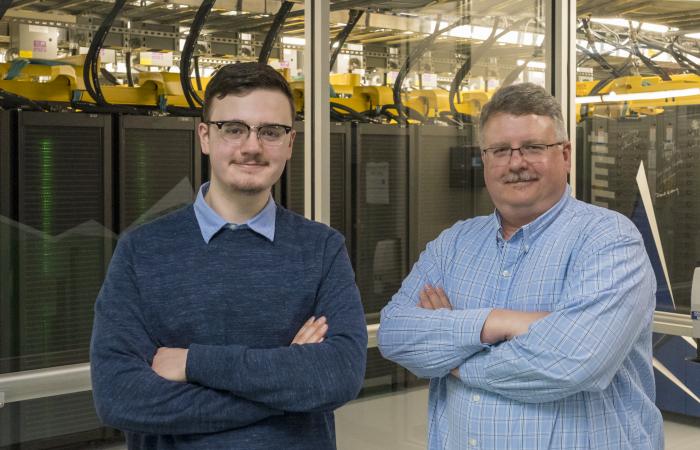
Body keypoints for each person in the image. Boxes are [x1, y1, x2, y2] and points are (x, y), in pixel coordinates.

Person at [90, 62, 367, 450]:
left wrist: (193, 364)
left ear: (290, 143)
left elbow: (338, 376)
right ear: (205, 136)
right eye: (233, 129)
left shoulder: (322, 249)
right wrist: (286, 388)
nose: (252, 146)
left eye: (271, 132)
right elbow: (119, 396)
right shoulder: (142, 251)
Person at [378, 82, 663, 449]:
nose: (516, 163)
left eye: (533, 147)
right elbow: (396, 333)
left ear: (565, 154)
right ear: (485, 158)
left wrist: (456, 360)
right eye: (500, 150)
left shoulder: (608, 240)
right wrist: (498, 322)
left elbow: (574, 361)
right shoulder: (453, 244)